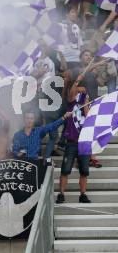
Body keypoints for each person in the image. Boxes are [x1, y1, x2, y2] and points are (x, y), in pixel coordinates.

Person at [56, 74, 91, 203]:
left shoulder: (86, 104)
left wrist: (86, 103)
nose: (80, 92)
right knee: (65, 169)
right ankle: (61, 194)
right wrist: (77, 81)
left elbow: (88, 117)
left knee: (84, 171)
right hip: (71, 142)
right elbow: (71, 93)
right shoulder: (72, 103)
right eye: (78, 90)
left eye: (82, 90)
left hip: (84, 143)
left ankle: (83, 194)